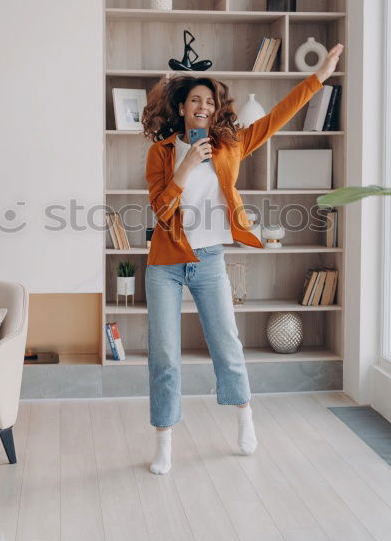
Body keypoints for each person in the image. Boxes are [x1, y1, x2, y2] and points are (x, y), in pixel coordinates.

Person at [140, 43, 344, 474]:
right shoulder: (161, 153)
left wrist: (319, 76)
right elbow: (160, 210)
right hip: (164, 265)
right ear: (181, 107)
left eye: (210, 102)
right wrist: (185, 165)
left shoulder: (230, 145)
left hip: (209, 261)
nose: (203, 106)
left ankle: (245, 418)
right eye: (195, 99)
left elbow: (276, 117)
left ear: (216, 112)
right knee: (164, 356)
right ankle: (164, 442)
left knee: (228, 347)